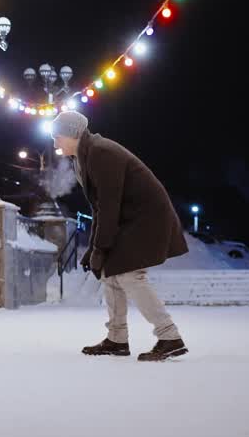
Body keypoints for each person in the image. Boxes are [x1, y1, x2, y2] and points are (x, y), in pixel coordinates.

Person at [51, 110, 190, 361]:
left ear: (72, 134)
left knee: (129, 275)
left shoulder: (101, 152)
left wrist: (100, 248)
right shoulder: (85, 155)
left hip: (146, 218)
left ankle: (169, 336)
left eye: (57, 136)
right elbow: (99, 207)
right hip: (130, 219)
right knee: (110, 273)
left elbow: (109, 204)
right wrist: (95, 248)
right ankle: (117, 339)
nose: (55, 142)